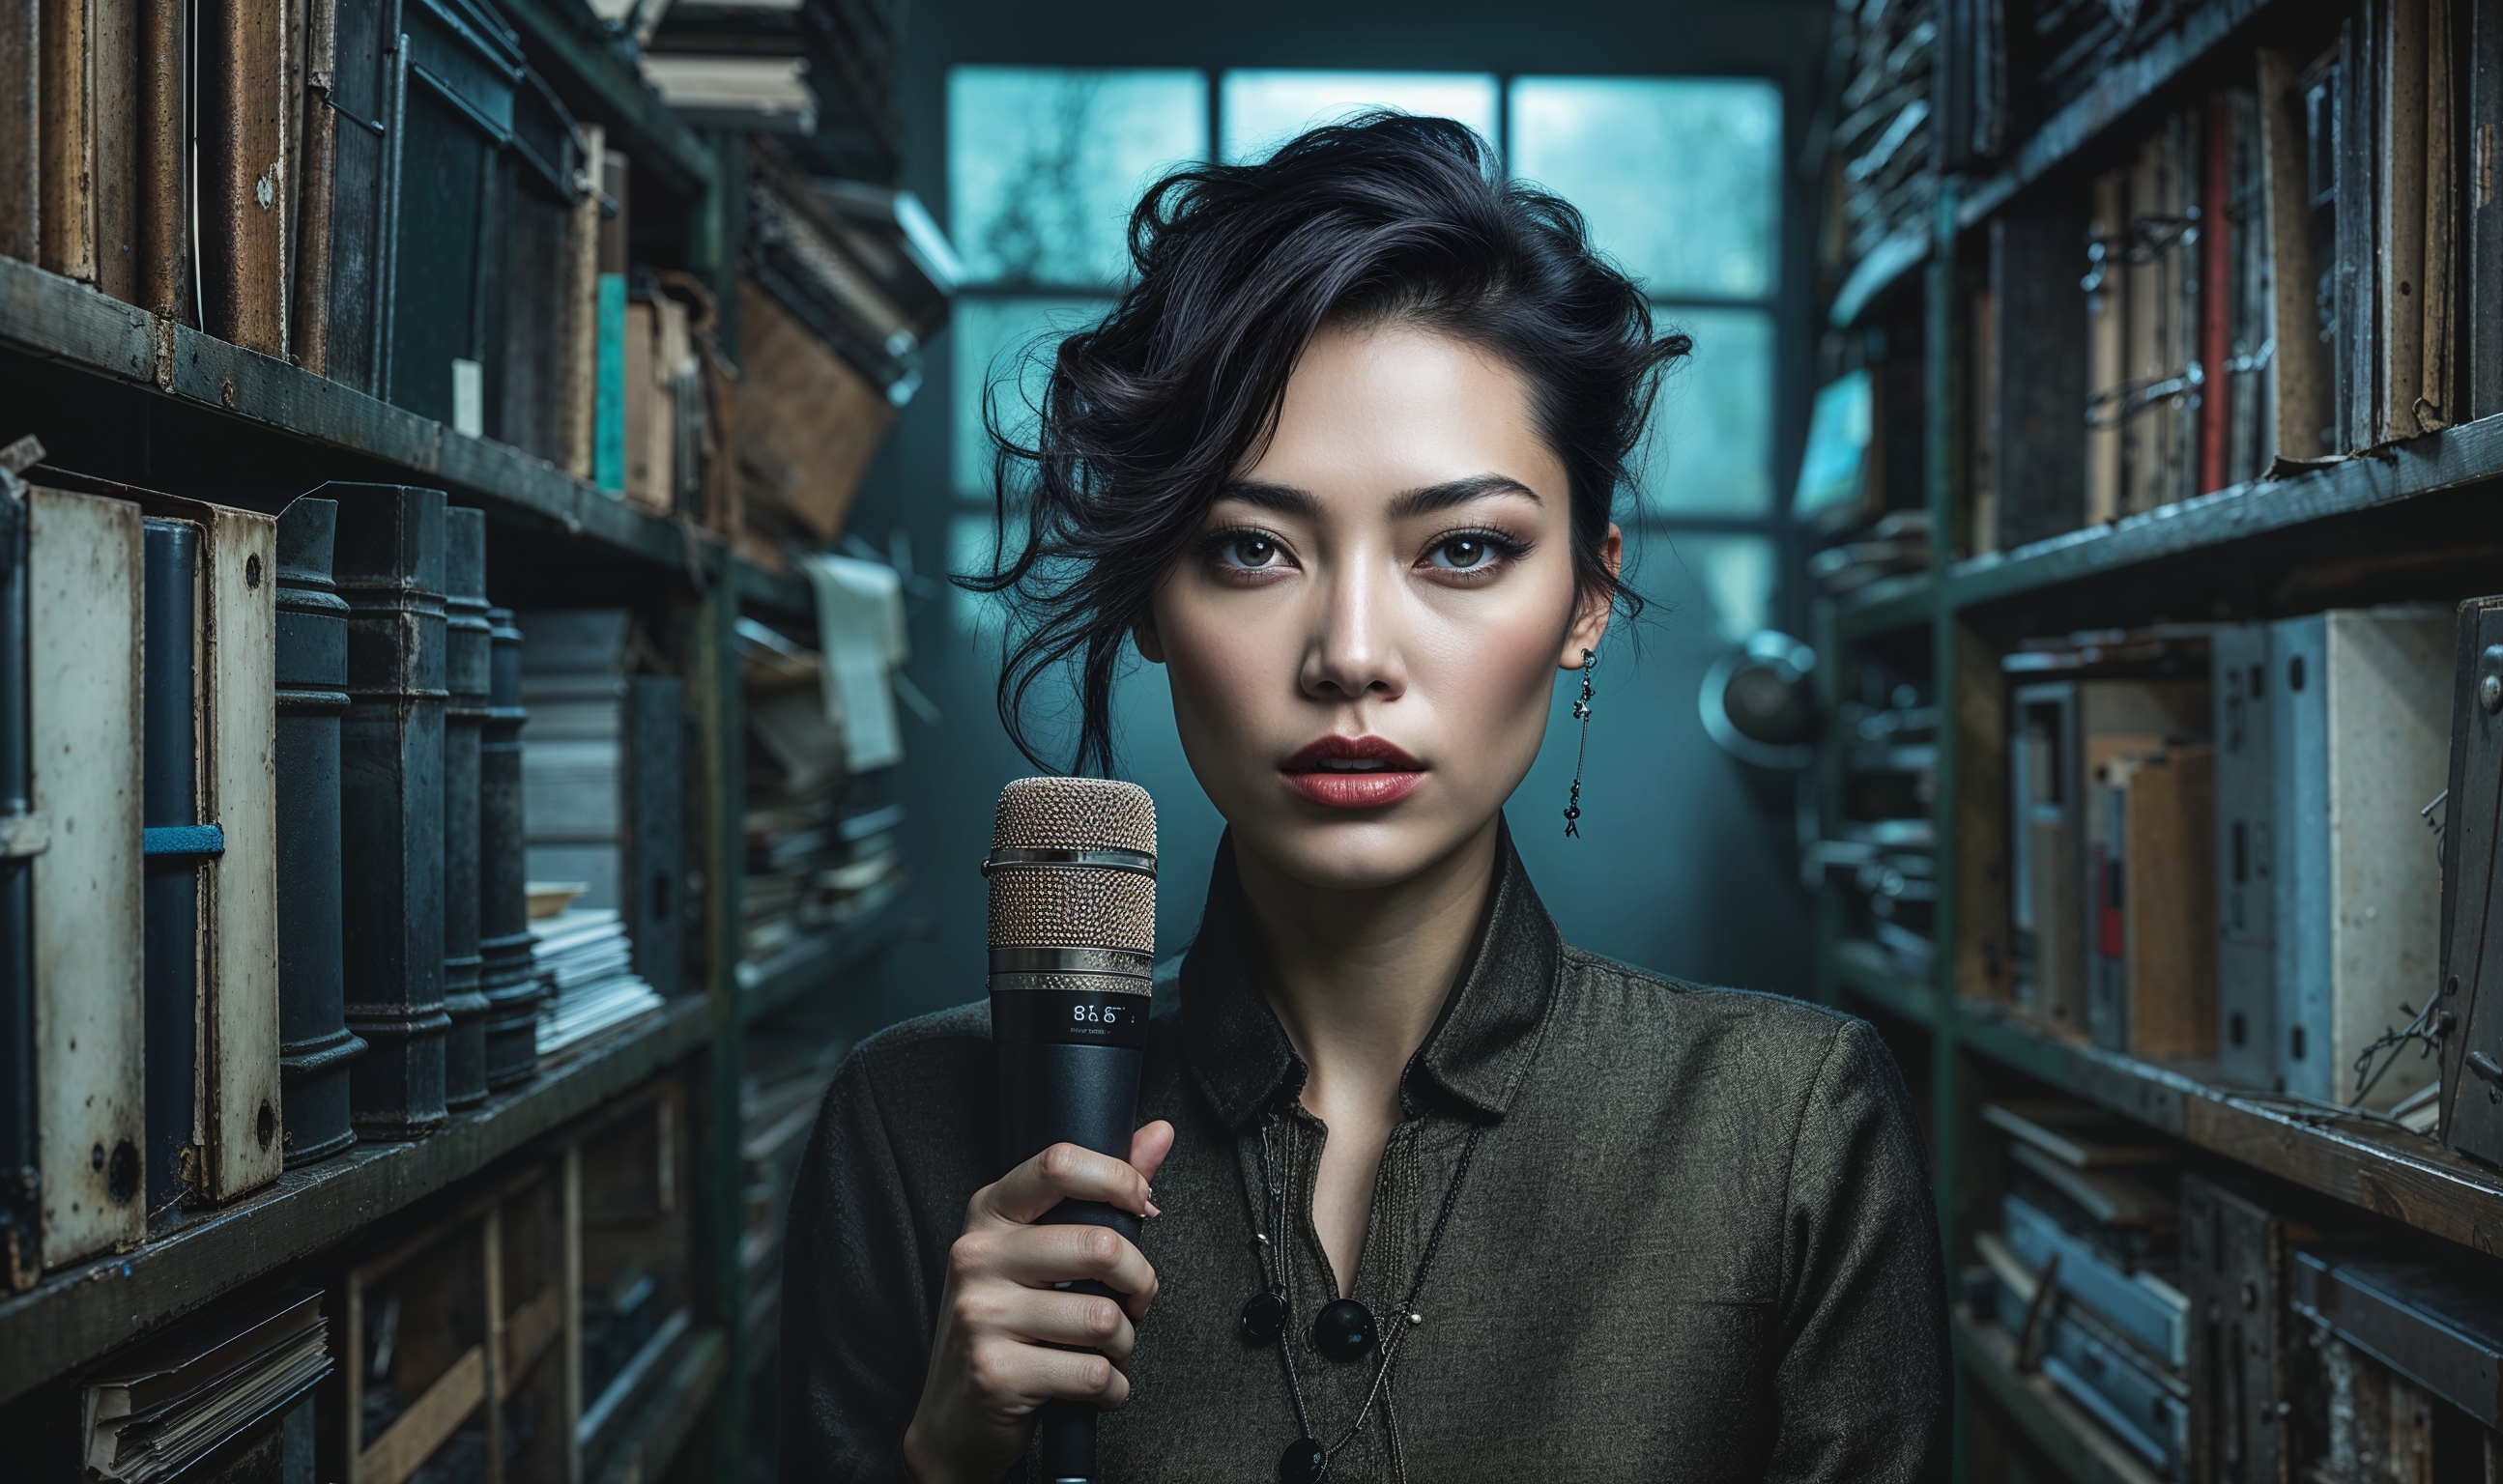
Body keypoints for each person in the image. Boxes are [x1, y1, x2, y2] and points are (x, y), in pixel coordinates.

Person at [778, 115, 1947, 1483]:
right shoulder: (914, 1121)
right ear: (1155, 597)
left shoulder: (1790, 1124)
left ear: (1585, 594)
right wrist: (947, 1464)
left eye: (1461, 548)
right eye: (1253, 548)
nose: (1349, 653)